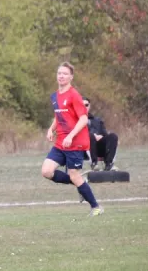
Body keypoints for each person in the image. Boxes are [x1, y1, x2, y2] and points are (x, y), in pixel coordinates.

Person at [41, 62, 103, 216]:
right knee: (46, 171)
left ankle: (96, 207)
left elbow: (83, 119)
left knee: (74, 175)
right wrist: (51, 129)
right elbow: (59, 116)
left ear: (71, 77)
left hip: (75, 143)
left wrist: (70, 135)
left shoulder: (74, 95)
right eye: (59, 73)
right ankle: (81, 184)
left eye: (65, 74)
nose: (61, 76)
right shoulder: (55, 96)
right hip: (61, 142)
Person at [83, 97, 119, 171]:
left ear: (89, 106)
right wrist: (93, 135)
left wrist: (101, 136)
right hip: (83, 149)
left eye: (86, 105)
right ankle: (94, 164)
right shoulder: (74, 120)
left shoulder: (97, 120)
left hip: (99, 148)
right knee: (90, 136)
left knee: (113, 136)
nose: (84, 107)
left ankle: (109, 164)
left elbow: (105, 134)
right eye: (81, 105)